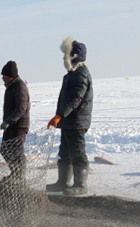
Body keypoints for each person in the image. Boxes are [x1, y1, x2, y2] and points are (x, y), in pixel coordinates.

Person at [46, 37, 93, 196]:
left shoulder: (80, 75)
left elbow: (75, 99)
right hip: (68, 122)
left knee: (77, 154)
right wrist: (60, 117)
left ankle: (80, 184)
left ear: (73, 57)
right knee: (64, 153)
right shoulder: (71, 75)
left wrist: (59, 115)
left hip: (77, 122)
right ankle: (63, 182)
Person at [0, 60, 30, 182]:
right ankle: (15, 173)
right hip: (11, 125)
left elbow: (21, 107)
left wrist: (9, 121)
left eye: (4, 76)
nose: (2, 78)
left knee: (16, 152)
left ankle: (20, 177)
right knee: (5, 149)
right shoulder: (11, 87)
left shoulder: (20, 87)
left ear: (10, 76)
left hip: (19, 126)